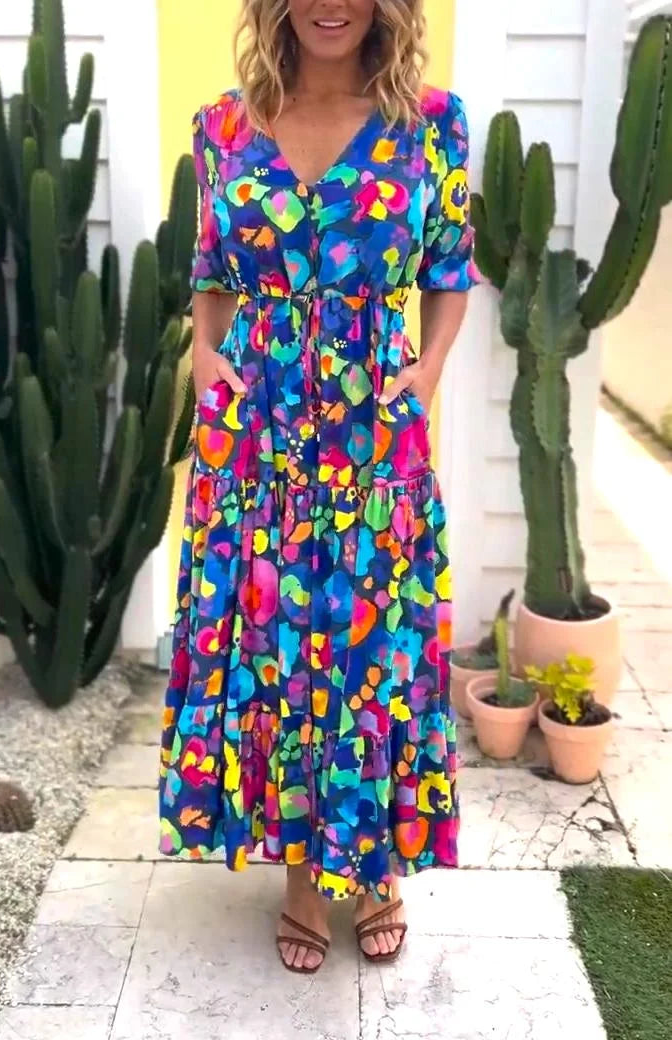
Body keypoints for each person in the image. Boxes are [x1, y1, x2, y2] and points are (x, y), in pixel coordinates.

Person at [159, 0, 477, 975]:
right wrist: (207, 360)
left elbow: (449, 268)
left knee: (371, 644)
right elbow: (211, 270)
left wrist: (426, 372)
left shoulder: (432, 123)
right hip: (255, 431)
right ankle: (302, 871)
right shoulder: (224, 125)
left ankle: (373, 866)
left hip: (372, 429)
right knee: (277, 647)